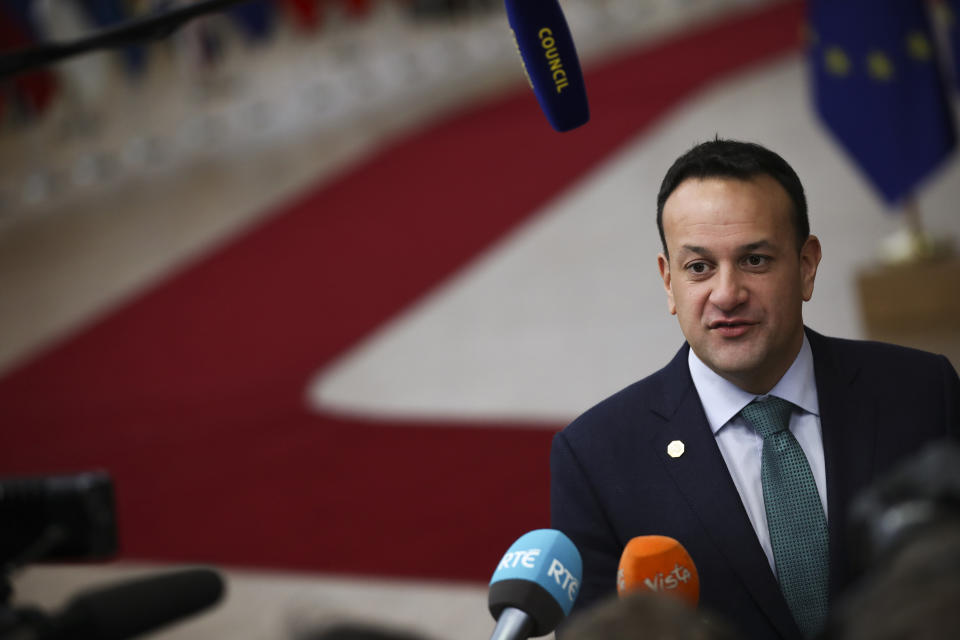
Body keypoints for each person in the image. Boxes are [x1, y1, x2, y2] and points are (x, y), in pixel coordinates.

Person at [550, 139, 960, 640]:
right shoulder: (596, 458)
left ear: (807, 265)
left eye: (755, 261)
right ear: (667, 281)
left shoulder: (922, 390)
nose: (726, 294)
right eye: (699, 267)